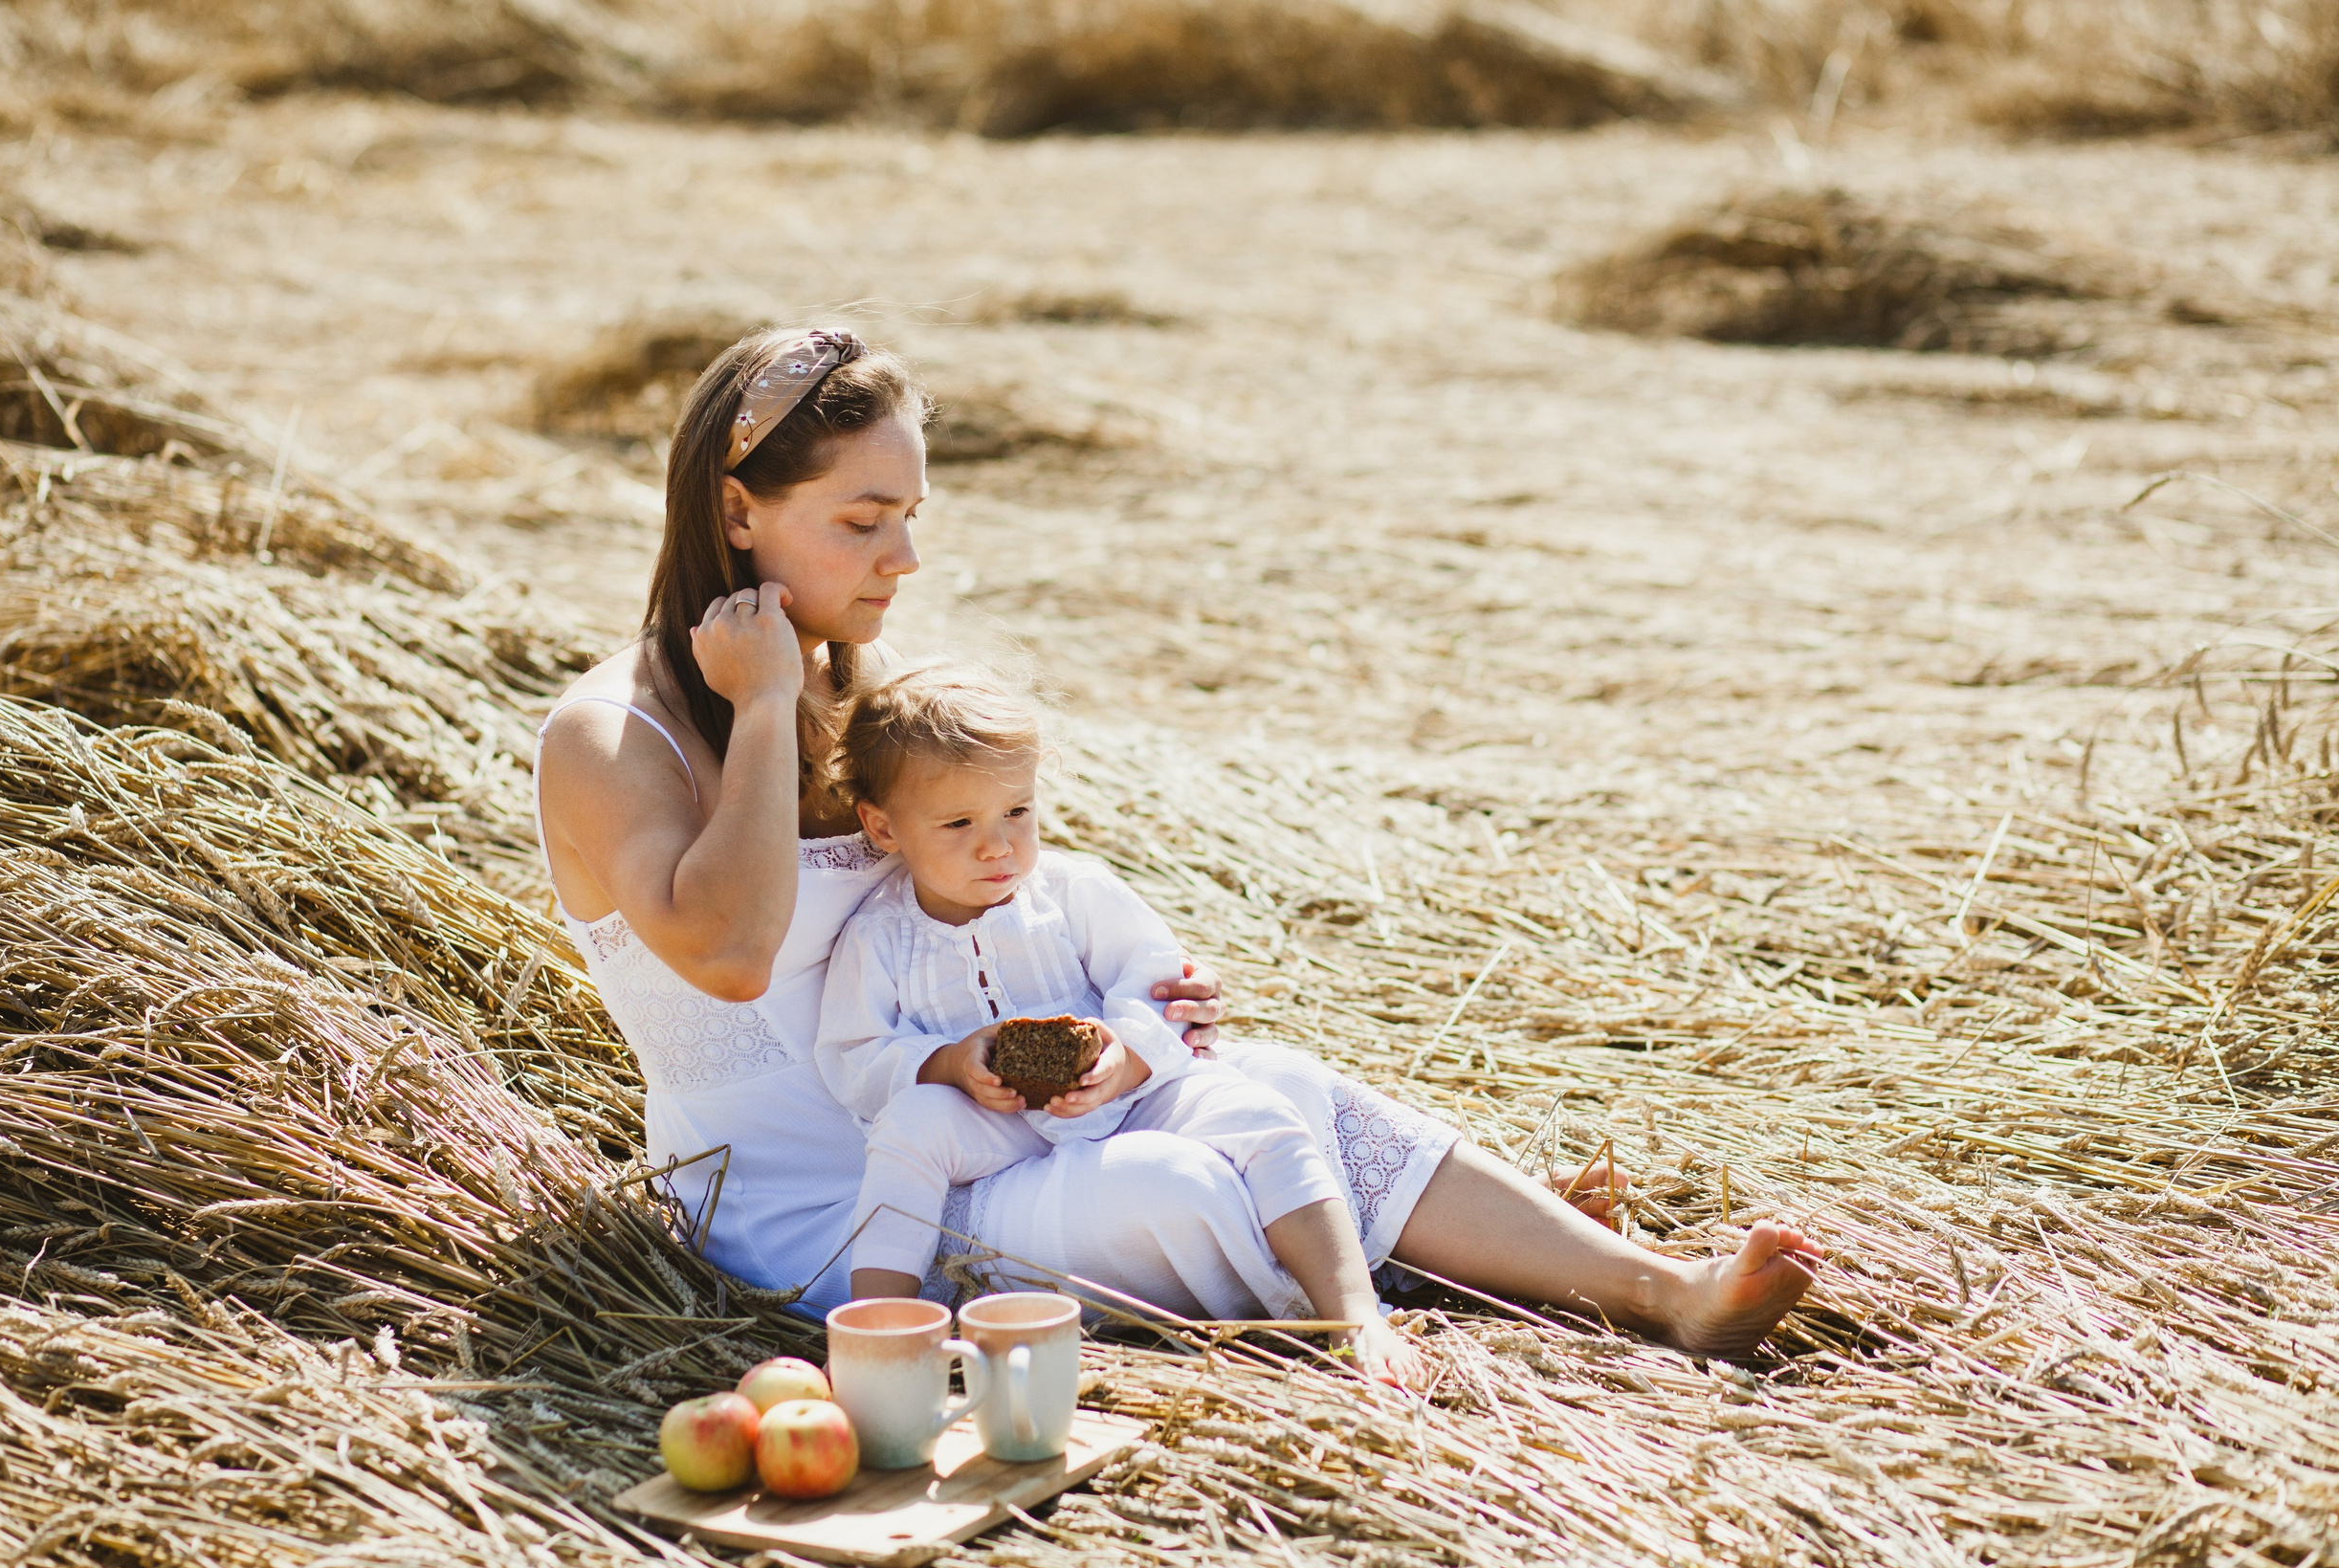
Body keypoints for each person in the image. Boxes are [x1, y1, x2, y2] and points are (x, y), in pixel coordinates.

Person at [532, 325, 1820, 1358]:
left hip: (1009, 1129)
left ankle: (1662, 1292)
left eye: (913, 511)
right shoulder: (613, 739)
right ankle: (1433, 1252)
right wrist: (761, 703)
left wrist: (1123, 1002)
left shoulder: (861, 691)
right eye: (864, 519)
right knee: (1193, 1190)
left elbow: (981, 905)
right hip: (837, 1223)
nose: (906, 554)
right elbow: (737, 950)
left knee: (1282, 1089)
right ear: (739, 512)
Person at [817, 665, 1413, 1379]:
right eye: (958, 823)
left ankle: (1354, 1312)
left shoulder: (1074, 891)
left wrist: (1125, 1057)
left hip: (1131, 1094)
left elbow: (1153, 976)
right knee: (908, 1126)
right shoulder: (880, 936)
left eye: (1018, 812)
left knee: (1261, 1112)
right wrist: (948, 1064)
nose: (998, 845)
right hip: (994, 1123)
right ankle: (877, 1344)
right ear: (883, 826)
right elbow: (853, 1052)